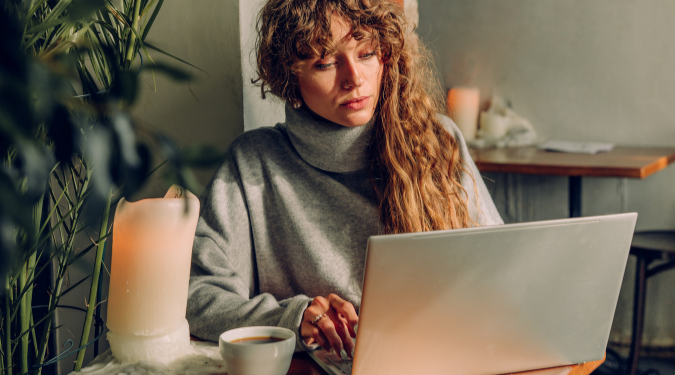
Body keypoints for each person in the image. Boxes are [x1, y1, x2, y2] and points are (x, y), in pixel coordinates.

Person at [186, 0, 503, 359]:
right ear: (290, 77)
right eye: (325, 62)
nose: (354, 78)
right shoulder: (254, 163)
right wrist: (291, 317)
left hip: (445, 358)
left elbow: (501, 268)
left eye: (366, 53)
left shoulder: (436, 140)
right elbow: (197, 295)